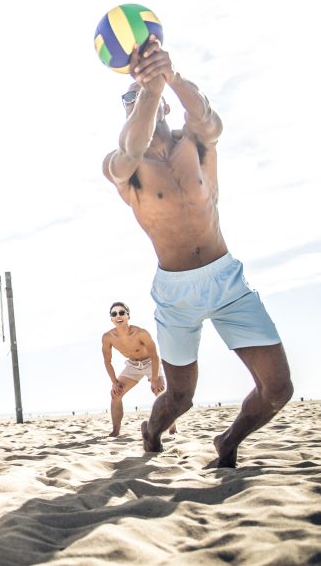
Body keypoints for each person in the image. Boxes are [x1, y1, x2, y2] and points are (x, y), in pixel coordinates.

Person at [102, 37, 293, 467]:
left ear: (167, 105)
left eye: (146, 96)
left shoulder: (197, 143)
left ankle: (228, 441)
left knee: (278, 389)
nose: (138, 102)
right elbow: (132, 146)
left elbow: (209, 119)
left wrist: (170, 75)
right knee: (181, 397)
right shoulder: (122, 166)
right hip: (177, 292)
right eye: (129, 100)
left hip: (227, 280)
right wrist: (149, 87)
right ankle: (150, 432)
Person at [101, 301, 177, 437]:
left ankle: (172, 429)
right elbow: (107, 361)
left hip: (150, 363)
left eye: (121, 313)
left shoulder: (141, 333)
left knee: (160, 393)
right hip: (132, 365)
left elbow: (155, 356)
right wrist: (114, 382)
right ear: (111, 318)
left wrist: (154, 379)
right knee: (115, 394)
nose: (118, 316)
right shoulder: (108, 337)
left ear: (128, 316)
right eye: (114, 314)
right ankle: (115, 431)